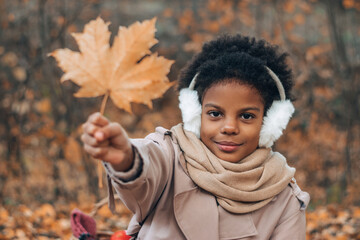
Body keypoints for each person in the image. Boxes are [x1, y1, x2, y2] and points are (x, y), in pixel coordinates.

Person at [81, 34, 310, 239]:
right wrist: (126, 159)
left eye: (247, 116)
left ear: (271, 122)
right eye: (215, 113)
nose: (229, 127)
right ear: (194, 114)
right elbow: (147, 166)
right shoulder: (170, 156)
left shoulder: (285, 199)